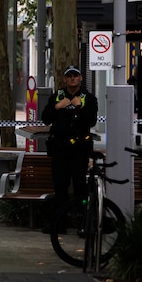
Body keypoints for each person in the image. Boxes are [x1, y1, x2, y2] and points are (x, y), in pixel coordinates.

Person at [41, 64, 98, 231]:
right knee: (60, 187)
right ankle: (60, 224)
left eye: (75, 75)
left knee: (80, 187)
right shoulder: (57, 96)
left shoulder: (88, 98)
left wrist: (79, 107)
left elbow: (91, 121)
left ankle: (82, 223)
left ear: (80, 78)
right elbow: (45, 118)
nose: (72, 78)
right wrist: (57, 107)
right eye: (69, 76)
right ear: (64, 79)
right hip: (60, 149)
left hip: (80, 150)